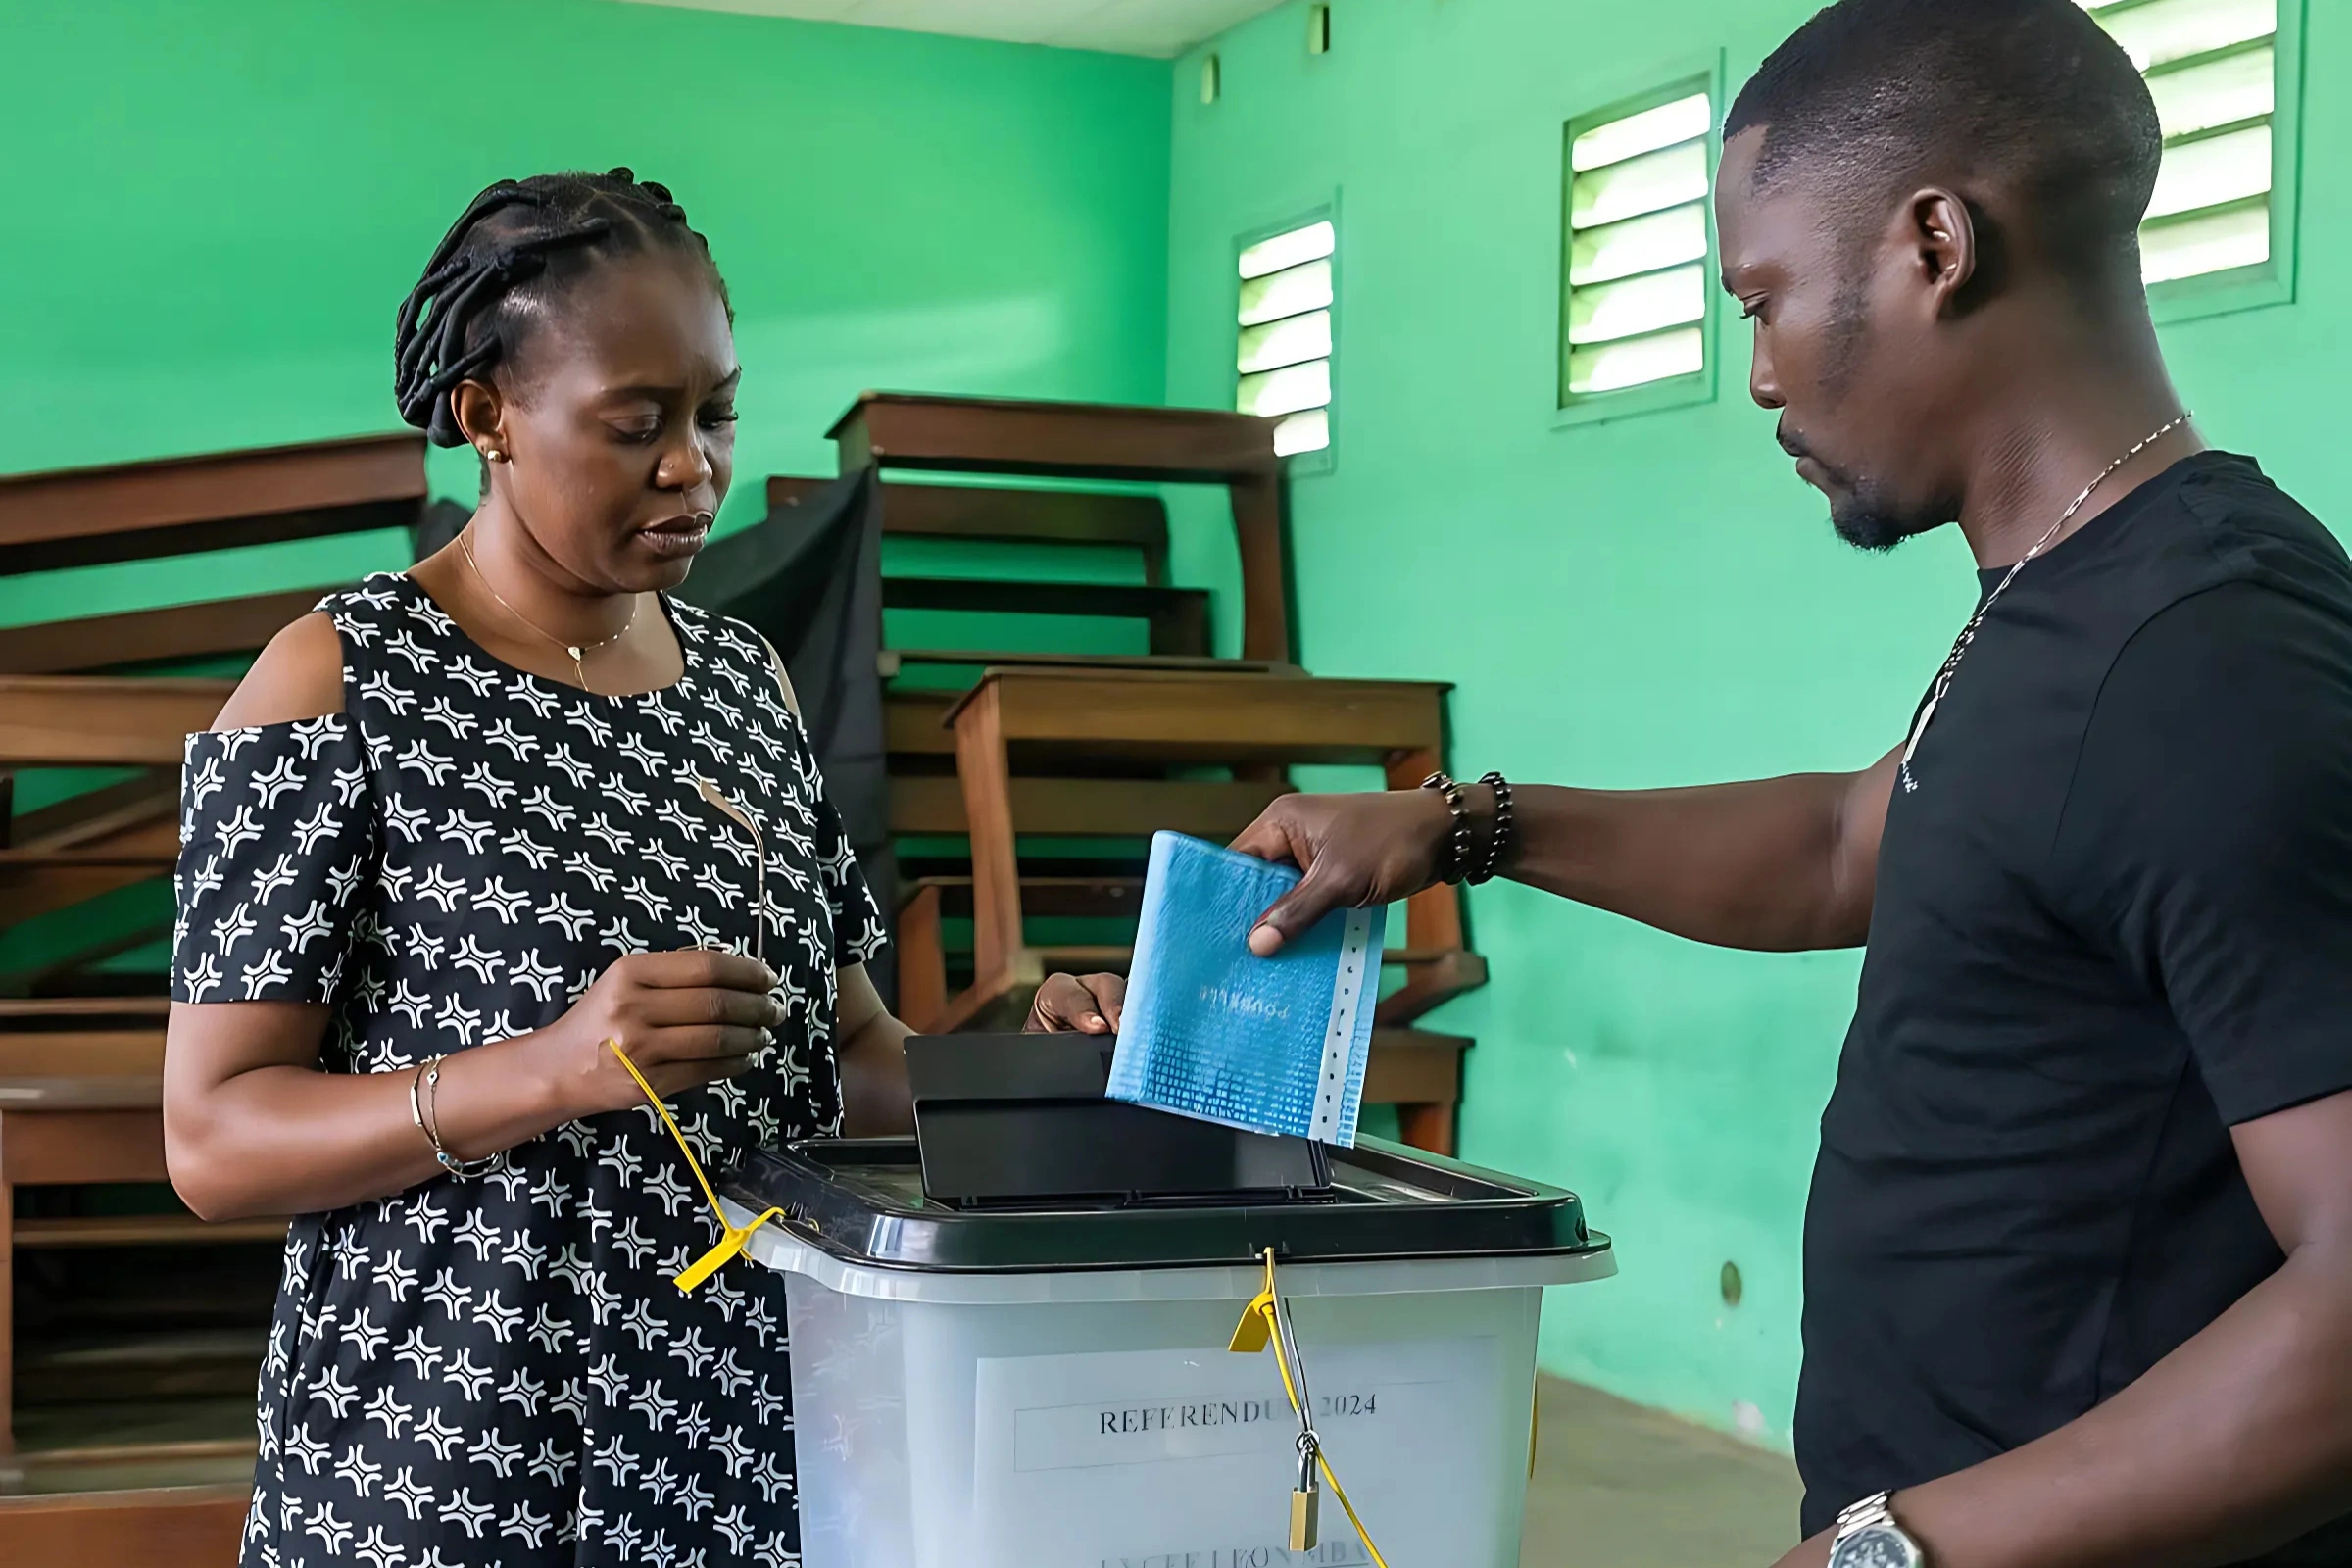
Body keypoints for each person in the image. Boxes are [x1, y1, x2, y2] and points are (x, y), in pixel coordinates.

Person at [1036, 3, 2352, 1564]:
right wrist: (1464, 828)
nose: (1756, 373)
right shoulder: (2068, 600)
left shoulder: (2207, 657)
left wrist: (1901, 1552)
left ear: (1935, 244)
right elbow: (1847, 845)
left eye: (1766, 298)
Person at [164, 169, 911, 1568]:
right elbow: (212, 1141)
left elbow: (845, 1048)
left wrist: (1045, 1071)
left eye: (717, 413)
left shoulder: (744, 683)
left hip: (737, 1450)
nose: (693, 465)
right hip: (441, 1456)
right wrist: (553, 1071)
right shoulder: (341, 680)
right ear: (487, 414)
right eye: (638, 425)